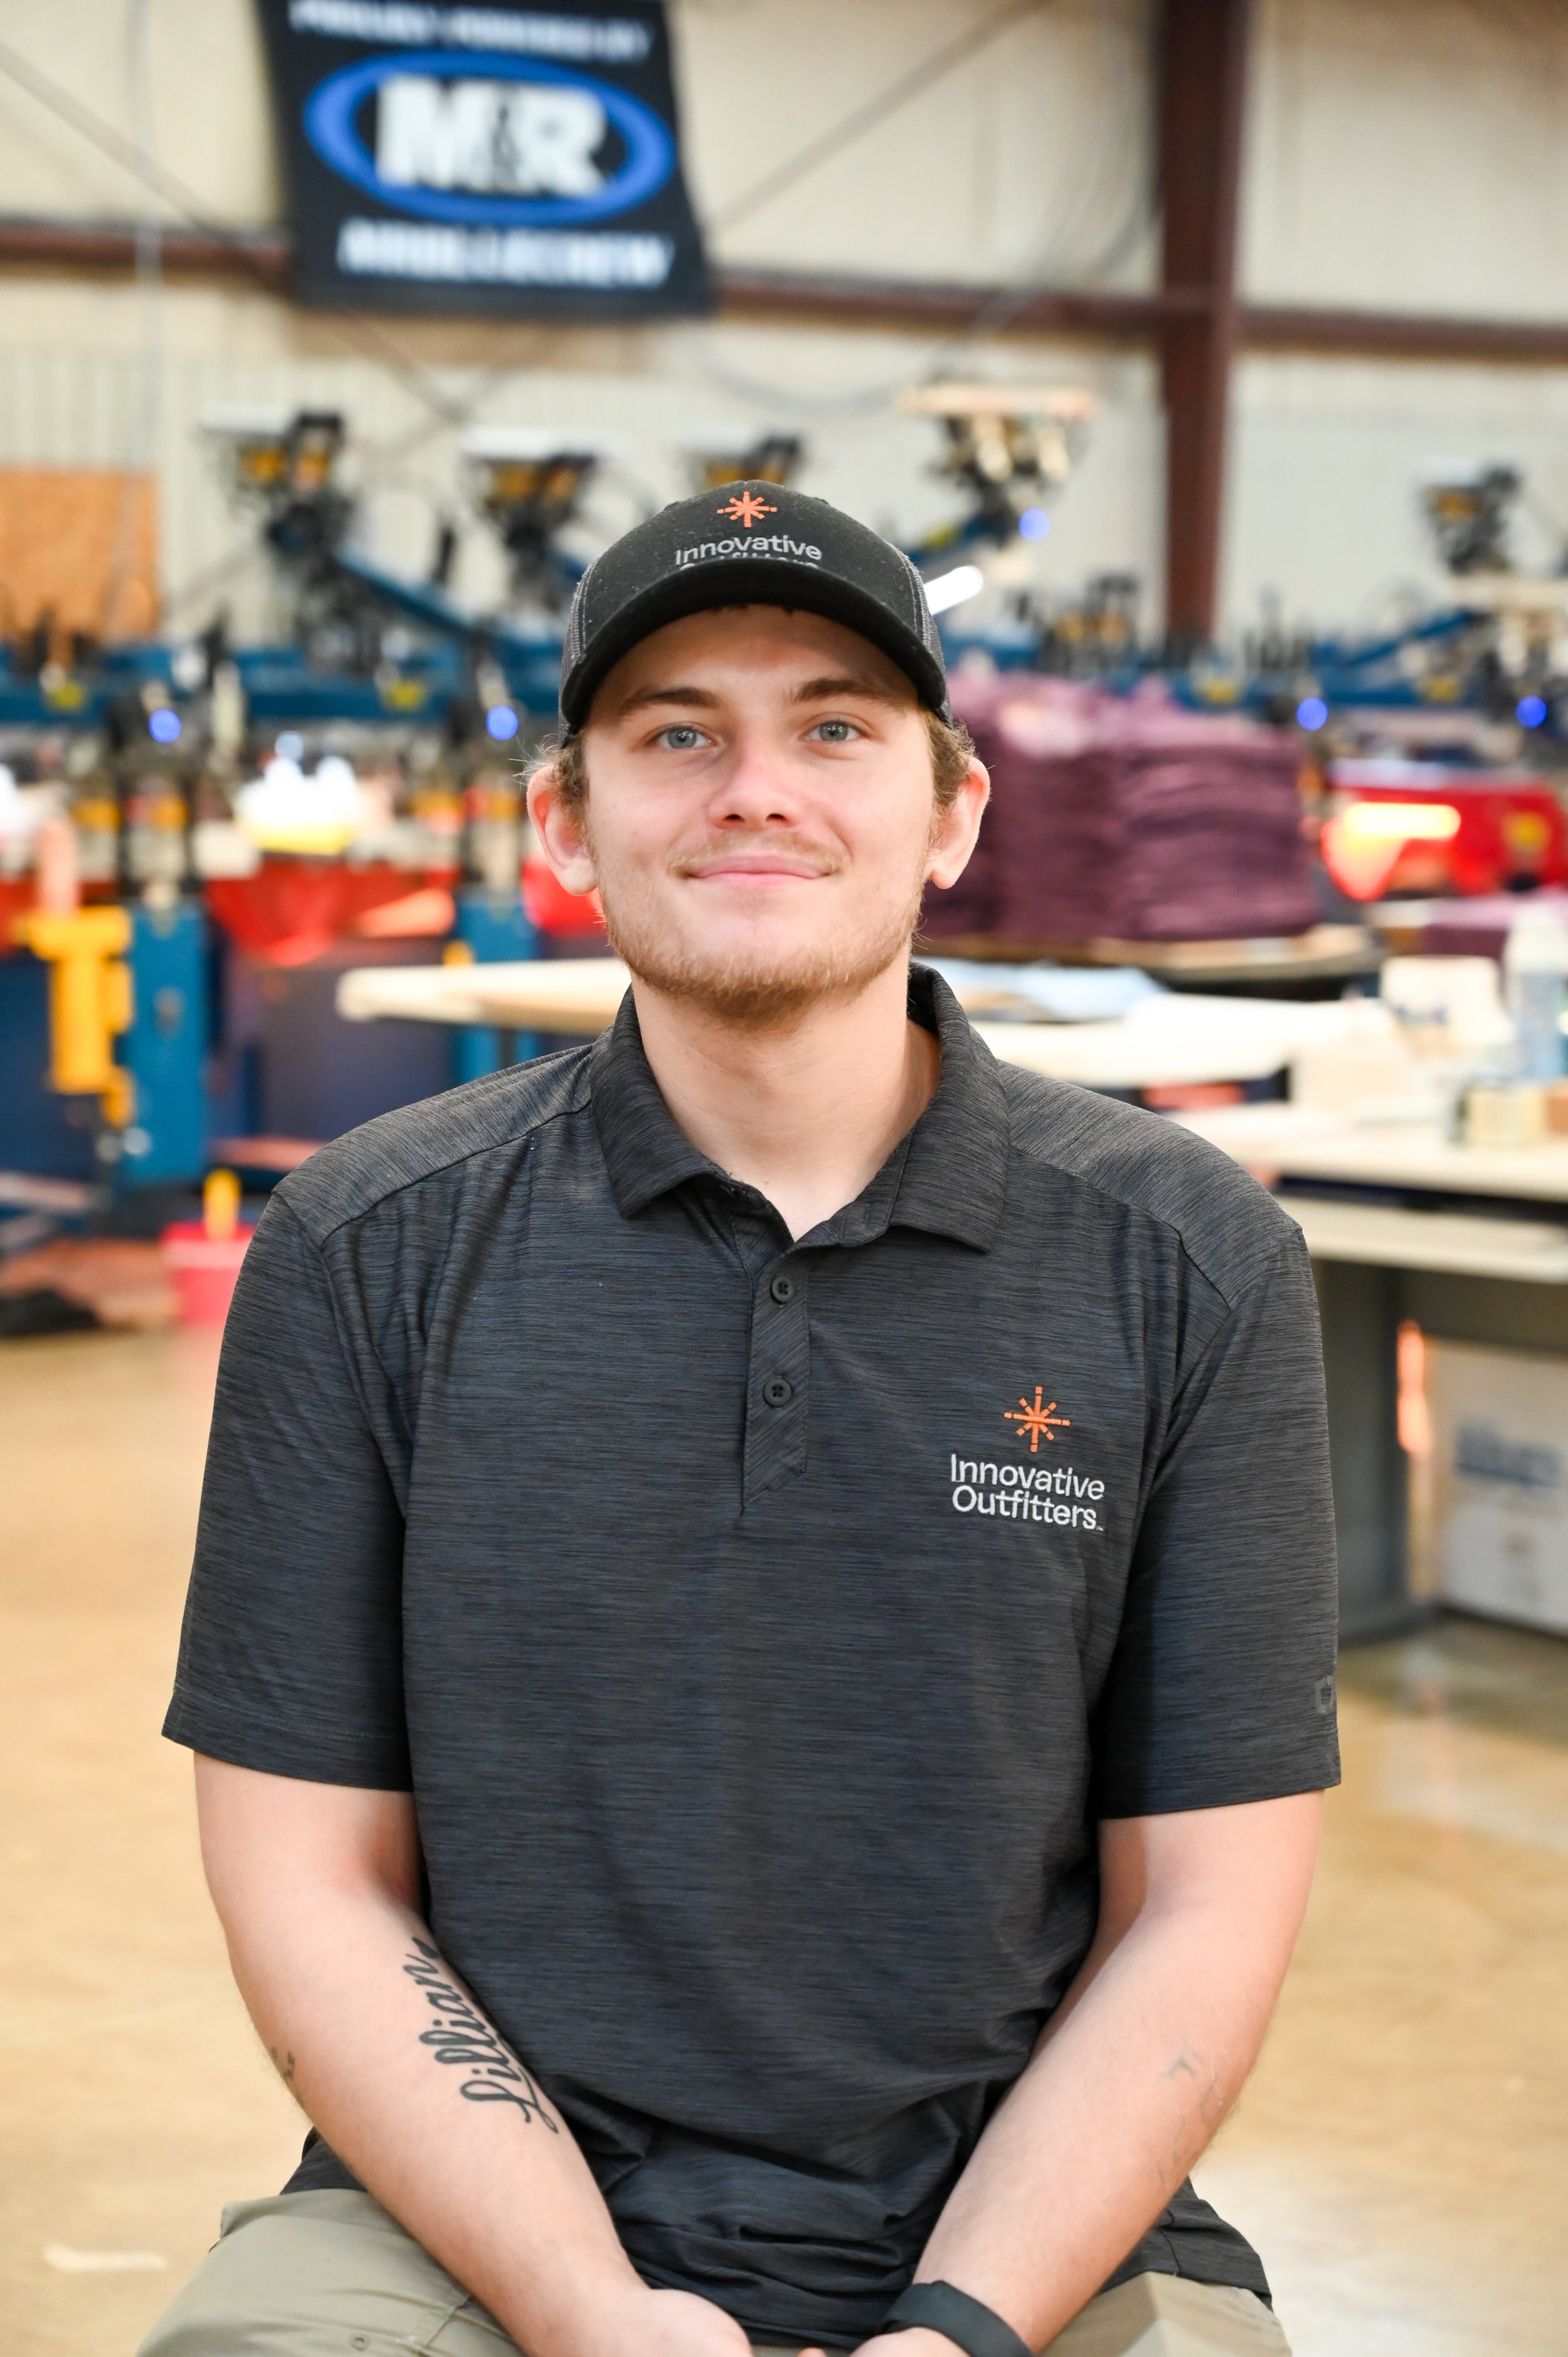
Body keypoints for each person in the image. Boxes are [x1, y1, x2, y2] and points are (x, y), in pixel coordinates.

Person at [144, 483, 1338, 2357]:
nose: (753, 788)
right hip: (474, 2219)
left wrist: (960, 2328)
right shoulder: (366, 1246)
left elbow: (1200, 1907)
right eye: (676, 732)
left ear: (949, 813)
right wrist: (591, 2312)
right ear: (567, 822)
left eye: (835, 728)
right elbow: (308, 1879)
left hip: (1039, 2225)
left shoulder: (1189, 1261)